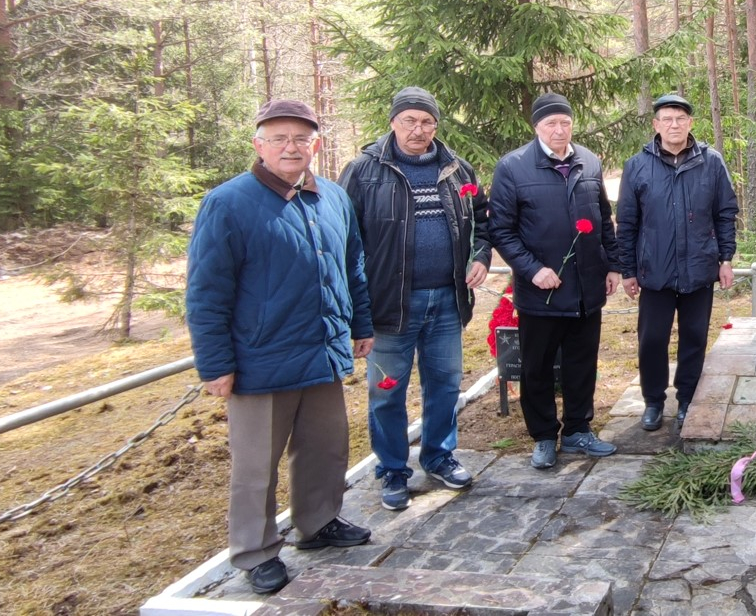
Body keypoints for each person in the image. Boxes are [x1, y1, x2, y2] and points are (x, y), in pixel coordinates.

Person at [185, 100, 374, 595]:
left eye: (301, 139)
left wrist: (361, 325)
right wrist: (215, 364)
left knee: (325, 449)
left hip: (322, 353)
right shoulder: (228, 203)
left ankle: (319, 523)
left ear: (316, 144)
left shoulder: (331, 197)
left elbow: (352, 267)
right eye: (279, 138)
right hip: (259, 360)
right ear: (259, 145)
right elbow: (207, 292)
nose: (291, 147)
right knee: (256, 466)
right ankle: (256, 550)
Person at [338, 86, 491, 511]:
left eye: (426, 122)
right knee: (387, 391)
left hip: (446, 301)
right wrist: (356, 308)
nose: (418, 129)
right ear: (392, 123)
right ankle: (391, 470)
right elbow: (344, 239)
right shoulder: (364, 171)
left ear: (436, 126)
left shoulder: (457, 170)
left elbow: (483, 219)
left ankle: (439, 455)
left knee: (444, 385)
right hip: (390, 307)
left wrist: (480, 255)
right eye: (409, 121)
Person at [487, 92, 623, 471]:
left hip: (586, 288)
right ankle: (545, 435)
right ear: (537, 128)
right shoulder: (513, 167)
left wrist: (611, 265)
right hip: (541, 293)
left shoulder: (589, 161)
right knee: (537, 366)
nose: (559, 130)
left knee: (582, 362)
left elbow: (602, 219)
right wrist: (532, 269)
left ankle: (579, 429)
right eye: (551, 124)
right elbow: (502, 230)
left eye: (565, 122)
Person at [617, 93, 740, 432]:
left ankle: (687, 398)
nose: (674, 125)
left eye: (680, 119)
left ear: (690, 123)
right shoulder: (637, 166)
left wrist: (726, 258)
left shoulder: (711, 162)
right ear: (656, 125)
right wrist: (628, 269)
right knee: (652, 339)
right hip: (654, 272)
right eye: (667, 119)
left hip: (699, 268)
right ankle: (654, 401)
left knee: (695, 337)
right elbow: (626, 223)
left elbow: (725, 213)